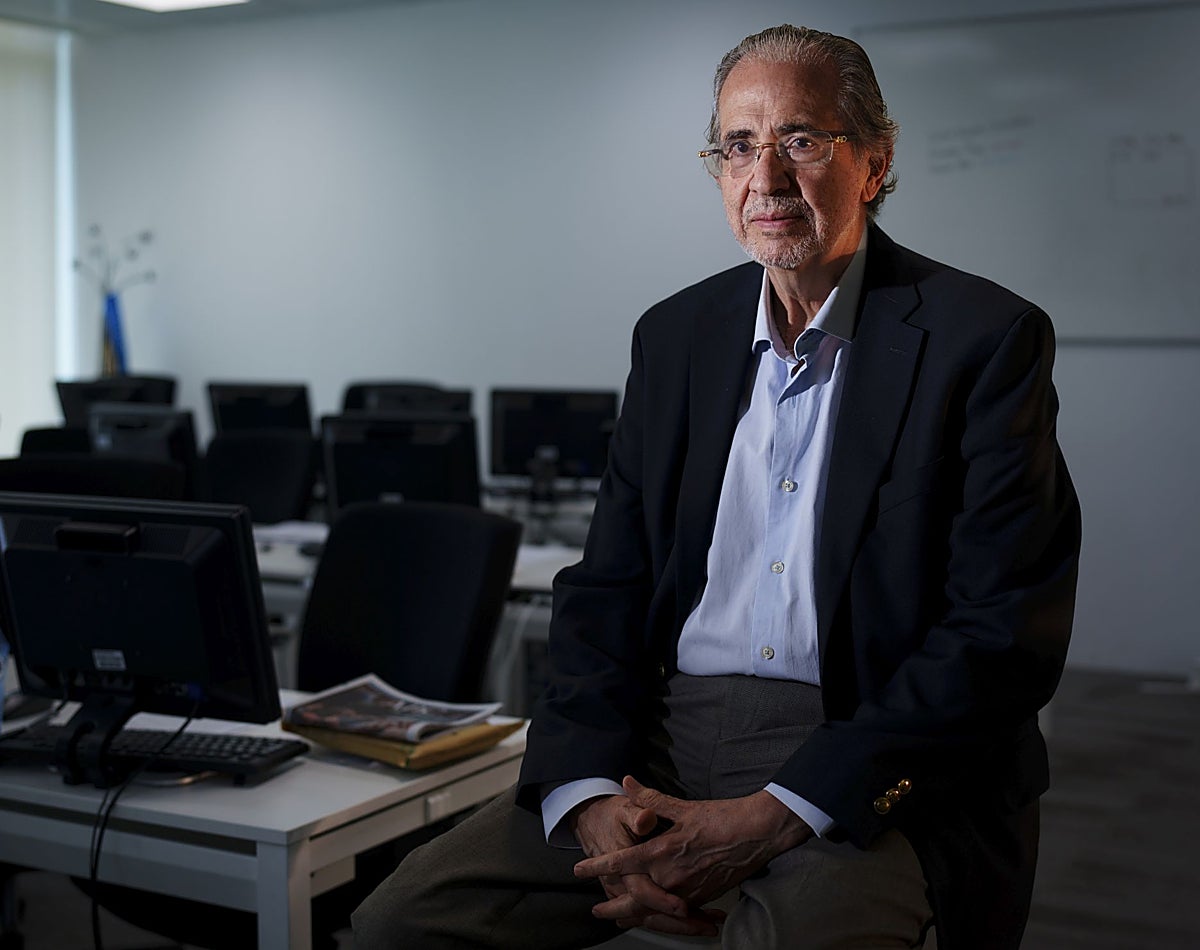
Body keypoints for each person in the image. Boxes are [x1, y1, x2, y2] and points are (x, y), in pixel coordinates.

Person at [352, 23, 1080, 950]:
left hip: (867, 741)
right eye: (738, 145)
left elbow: (1002, 632)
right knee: (402, 921)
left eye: (800, 140)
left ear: (875, 162)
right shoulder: (676, 337)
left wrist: (783, 811)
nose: (764, 177)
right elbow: (607, 587)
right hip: (664, 735)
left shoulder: (983, 339)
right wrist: (588, 794)